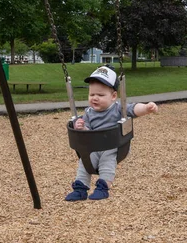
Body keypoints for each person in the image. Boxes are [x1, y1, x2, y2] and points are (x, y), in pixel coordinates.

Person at [65, 66, 158, 201]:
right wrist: (81, 127)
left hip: (113, 146)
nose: (95, 98)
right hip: (94, 147)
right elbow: (87, 132)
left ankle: (103, 187)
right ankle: (80, 189)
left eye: (100, 95)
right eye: (92, 95)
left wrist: (146, 108)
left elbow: (134, 109)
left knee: (107, 161)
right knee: (84, 162)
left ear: (113, 96)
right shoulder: (89, 113)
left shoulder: (118, 108)